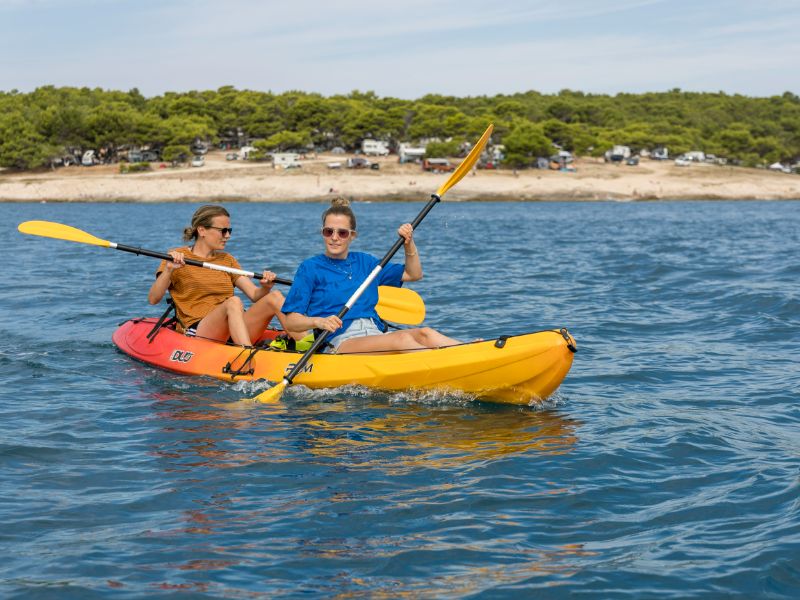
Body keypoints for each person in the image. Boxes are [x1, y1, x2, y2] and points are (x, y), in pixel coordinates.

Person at [281, 197, 461, 354]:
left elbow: (413, 274)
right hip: (338, 342)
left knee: (425, 333)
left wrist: (409, 243)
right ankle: (447, 365)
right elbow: (291, 322)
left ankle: (471, 351)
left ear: (352, 236)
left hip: (375, 334)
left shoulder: (366, 262)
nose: (334, 237)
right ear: (323, 233)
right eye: (329, 231)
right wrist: (318, 322)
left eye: (342, 233)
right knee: (402, 340)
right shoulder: (310, 268)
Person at [148, 205, 304, 346]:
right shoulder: (176, 256)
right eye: (223, 230)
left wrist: (266, 287)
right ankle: (246, 354)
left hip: (235, 325)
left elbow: (255, 295)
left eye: (230, 230)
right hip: (200, 329)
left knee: (275, 297)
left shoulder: (227, 260)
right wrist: (169, 270)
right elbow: (153, 299)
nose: (228, 235)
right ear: (201, 230)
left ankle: (308, 344)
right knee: (233, 302)